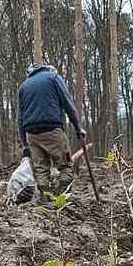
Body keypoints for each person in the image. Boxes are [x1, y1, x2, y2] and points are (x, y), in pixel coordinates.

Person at [17, 64, 85, 198]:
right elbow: (67, 104)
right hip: (52, 129)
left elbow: (20, 118)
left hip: (31, 133)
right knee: (65, 166)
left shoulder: (24, 86)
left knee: (40, 169)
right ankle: (62, 197)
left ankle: (46, 198)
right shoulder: (54, 77)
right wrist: (78, 128)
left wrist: (25, 143)